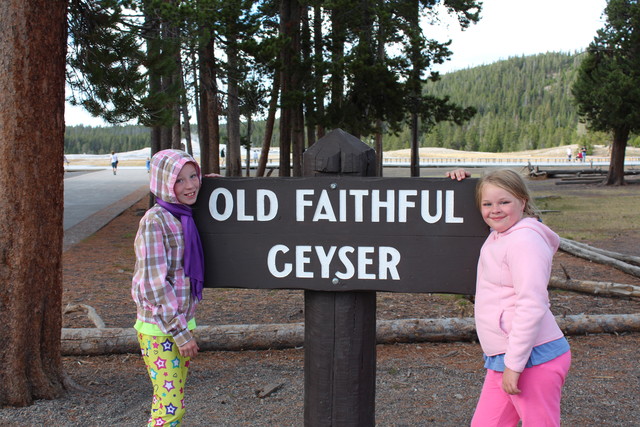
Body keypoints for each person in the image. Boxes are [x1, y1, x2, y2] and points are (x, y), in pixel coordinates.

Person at [447, 168, 571, 426]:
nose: (496, 209)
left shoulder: (524, 241)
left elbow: (532, 304)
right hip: (504, 357)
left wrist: (514, 365)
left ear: (522, 202)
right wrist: (460, 184)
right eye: (487, 203)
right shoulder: (500, 234)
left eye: (505, 202)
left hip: (531, 358)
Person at [131, 149, 205, 426]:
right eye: (179, 180)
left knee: (172, 401)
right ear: (164, 182)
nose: (190, 185)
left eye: (193, 176)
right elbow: (153, 286)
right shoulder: (155, 221)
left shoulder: (183, 215)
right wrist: (181, 333)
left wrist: (221, 185)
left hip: (181, 322)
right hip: (161, 328)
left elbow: (200, 186)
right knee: (169, 408)